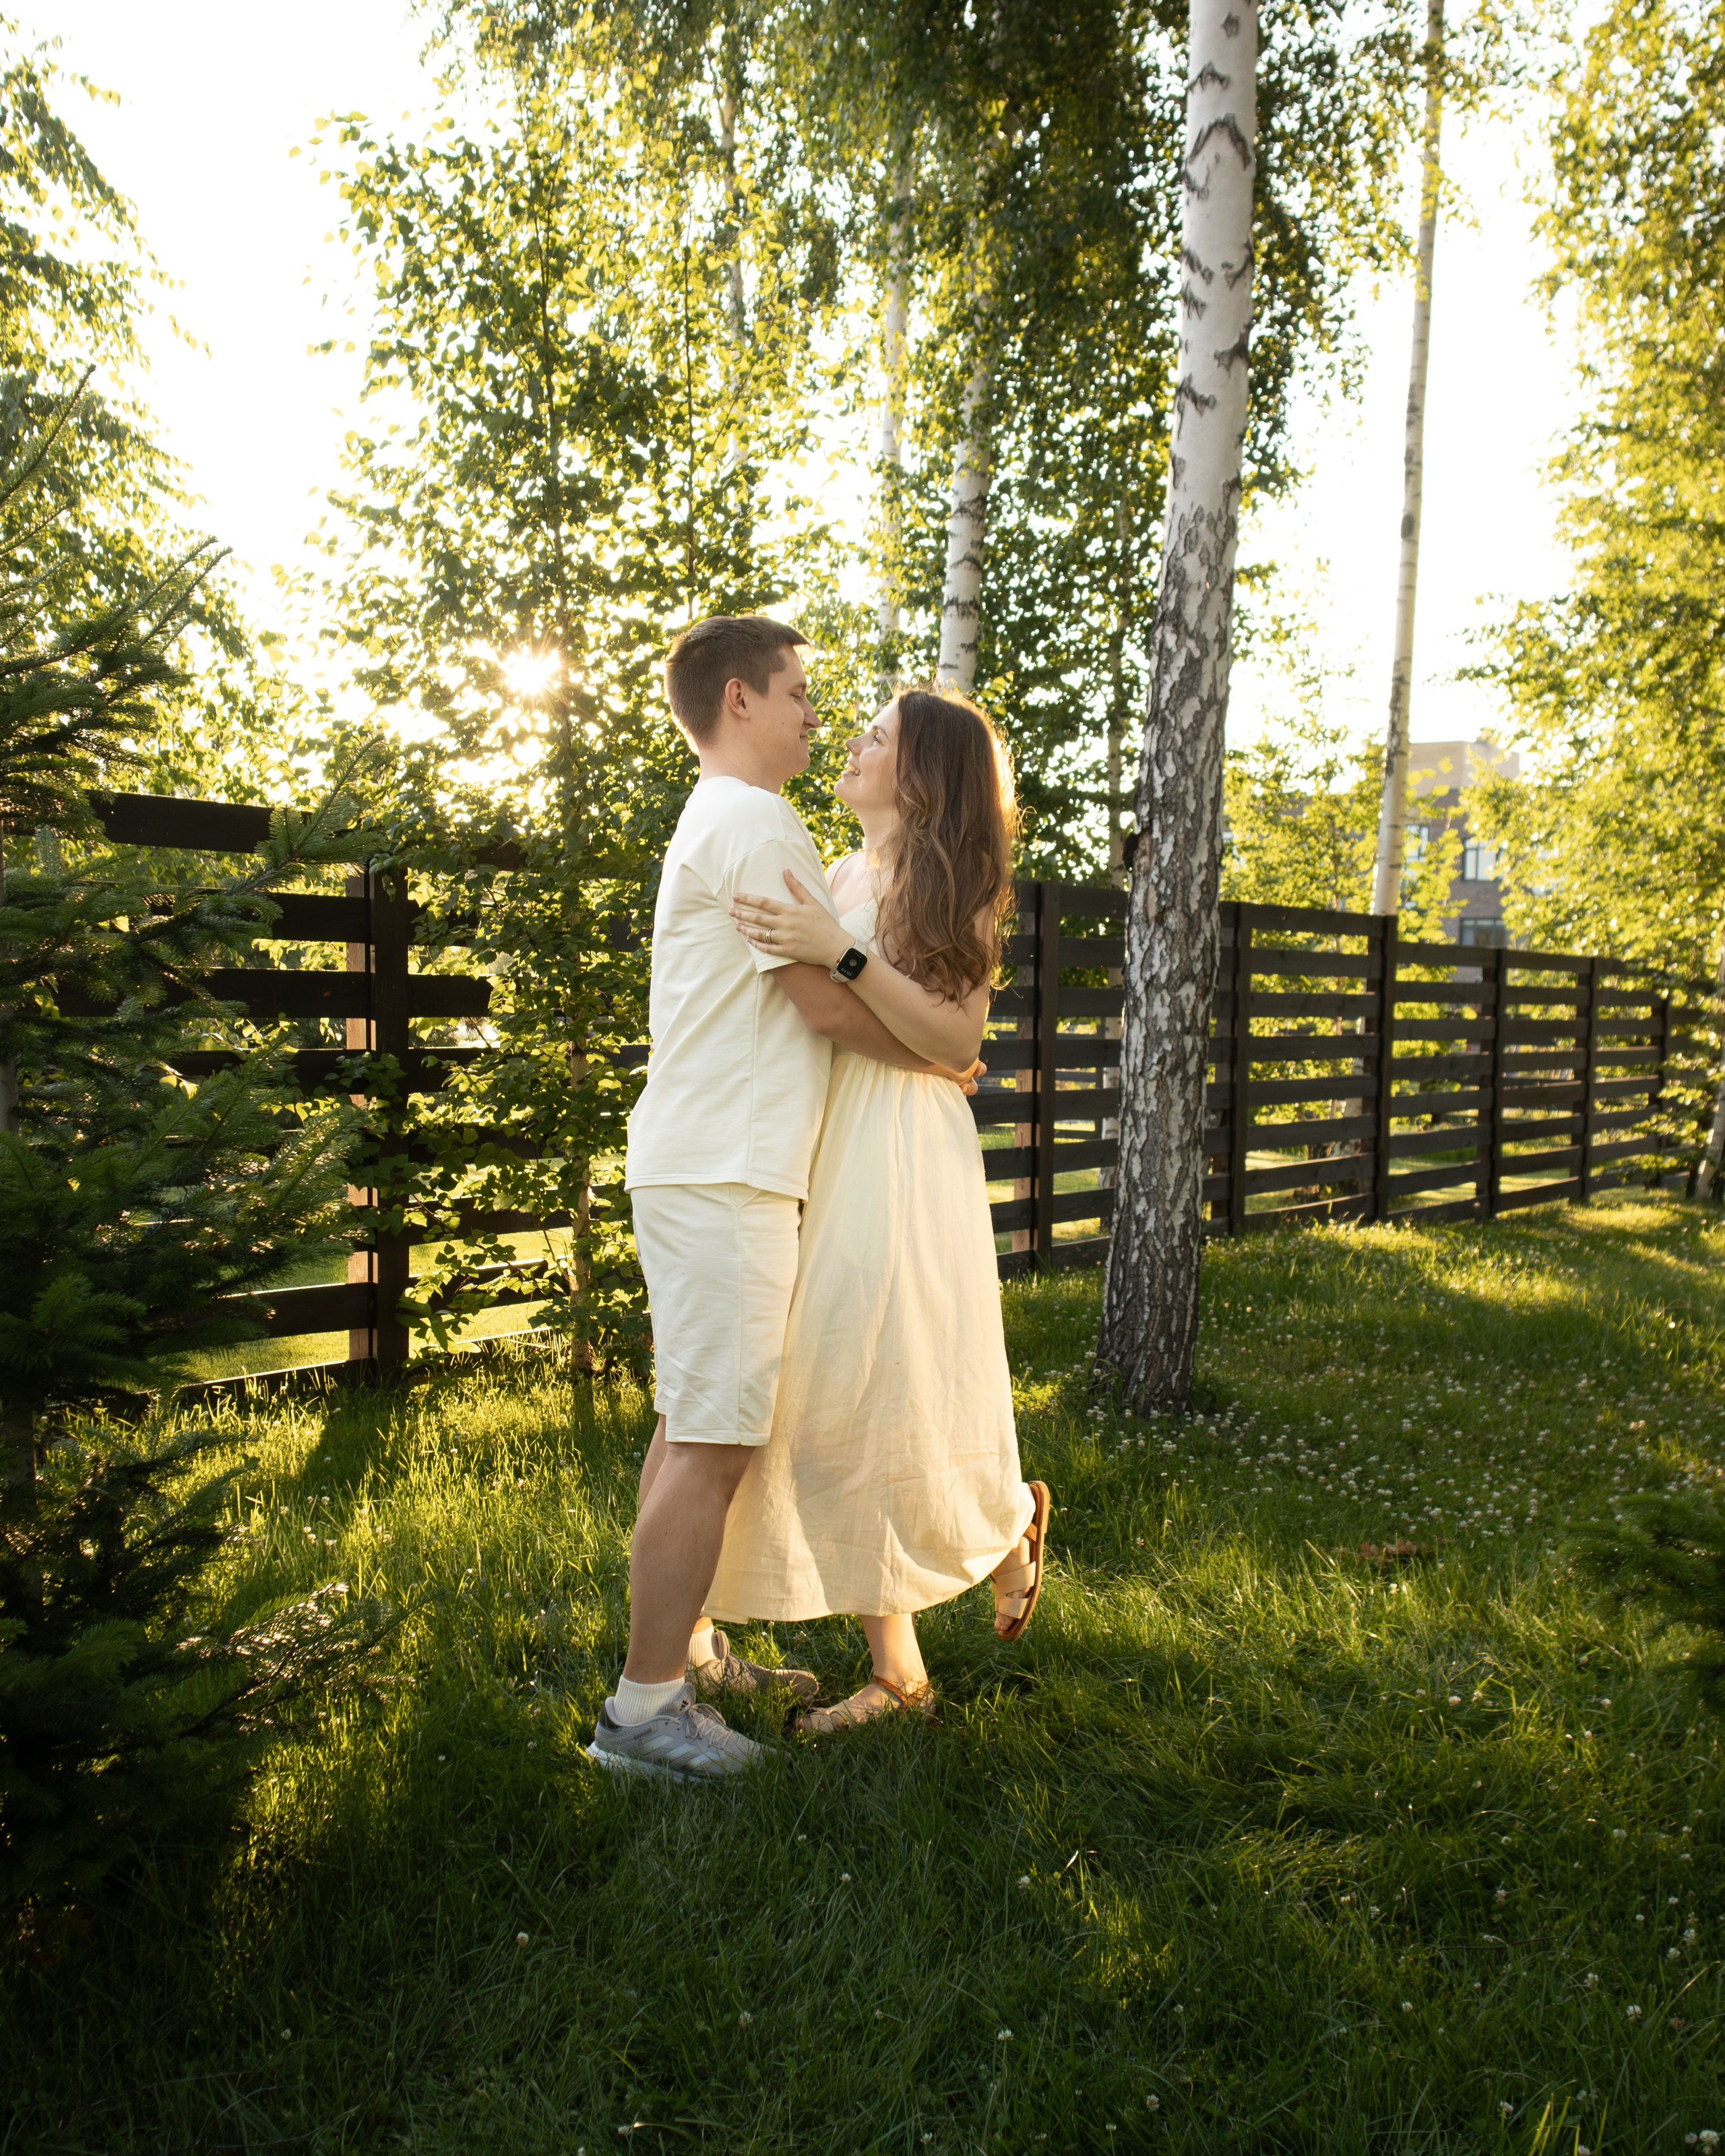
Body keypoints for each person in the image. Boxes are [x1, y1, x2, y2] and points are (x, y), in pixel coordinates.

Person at [585, 617, 978, 1783]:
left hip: (710, 1160)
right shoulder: (754, 822)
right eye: (801, 692)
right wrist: (943, 1059)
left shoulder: (731, 817)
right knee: (713, 1439)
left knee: (687, 1422)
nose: (817, 712)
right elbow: (822, 1006)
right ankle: (643, 1715)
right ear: (743, 699)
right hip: (727, 1169)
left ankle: (686, 1652)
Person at [703, 685, 1050, 1732]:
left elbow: (953, 1038)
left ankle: (931, 1630)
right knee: (832, 1393)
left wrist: (838, 948)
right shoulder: (839, 869)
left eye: (878, 739)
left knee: (885, 1375)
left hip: (903, 1147)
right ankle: (951, 1600)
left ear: (924, 775)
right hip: (829, 1134)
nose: (850, 746)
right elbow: (878, 1028)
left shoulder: (958, 879)